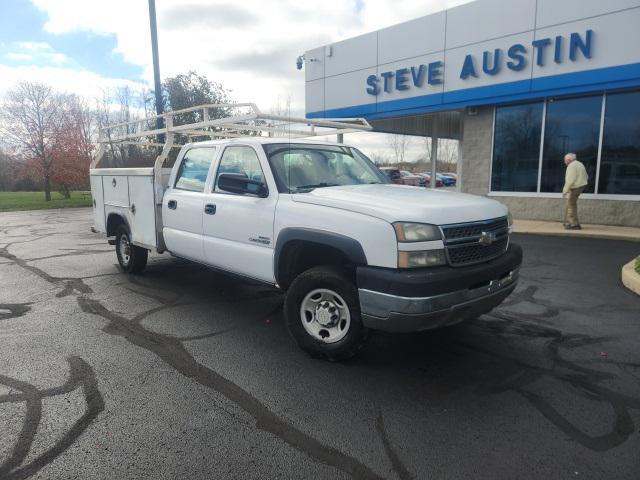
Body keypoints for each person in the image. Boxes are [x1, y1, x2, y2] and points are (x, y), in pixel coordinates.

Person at [562, 153, 588, 230]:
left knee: (571, 205)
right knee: (572, 204)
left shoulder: (571, 166)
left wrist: (565, 191)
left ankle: (574, 224)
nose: (564, 162)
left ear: (569, 160)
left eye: (565, 160)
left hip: (576, 187)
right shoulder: (579, 164)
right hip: (581, 186)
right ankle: (571, 222)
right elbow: (586, 176)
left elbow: (570, 180)